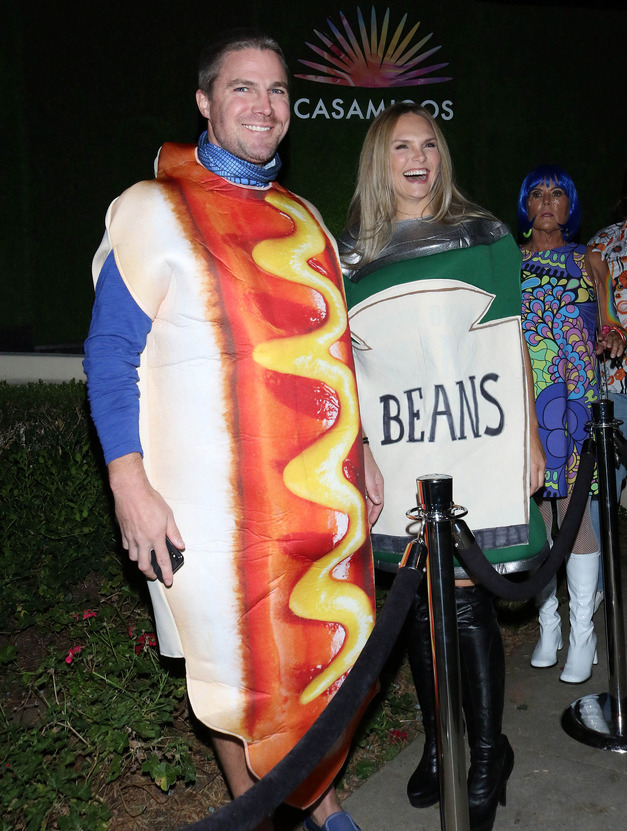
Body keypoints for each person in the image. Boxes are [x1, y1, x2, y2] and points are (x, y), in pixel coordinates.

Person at [83, 29, 383, 831]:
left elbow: (333, 350)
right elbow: (109, 353)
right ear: (205, 102)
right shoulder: (154, 209)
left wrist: (362, 452)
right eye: (242, 87)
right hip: (203, 513)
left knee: (312, 660)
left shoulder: (305, 218)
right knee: (232, 675)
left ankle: (315, 806)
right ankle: (272, 814)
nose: (264, 104)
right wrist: (127, 481)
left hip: (313, 498)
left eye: (277, 89)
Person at [339, 102, 546, 831]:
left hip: (473, 437)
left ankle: (487, 754)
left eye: (429, 144)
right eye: (402, 147)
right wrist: (361, 447)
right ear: (380, 159)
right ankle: (438, 742)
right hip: (400, 445)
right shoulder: (348, 256)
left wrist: (529, 437)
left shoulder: (483, 233)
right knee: (419, 606)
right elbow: (343, 364)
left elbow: (509, 338)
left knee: (463, 599)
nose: (418, 158)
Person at [518, 165, 625, 682]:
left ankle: (583, 633)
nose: (546, 201)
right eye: (537, 193)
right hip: (526, 402)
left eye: (557, 193)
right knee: (536, 512)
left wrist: (612, 336)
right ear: (525, 205)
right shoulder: (508, 261)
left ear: (570, 206)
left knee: (574, 509)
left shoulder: (591, 259)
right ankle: (549, 625)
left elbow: (611, 322)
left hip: (576, 401)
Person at [587, 155, 627, 620]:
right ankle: (597, 584)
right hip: (622, 379)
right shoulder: (604, 243)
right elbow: (589, 302)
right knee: (605, 484)